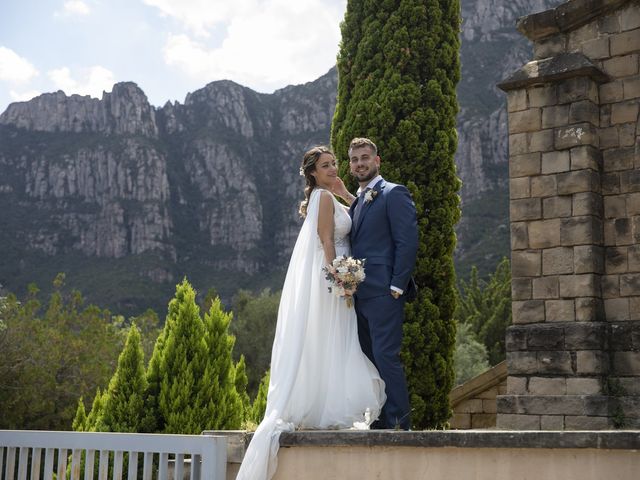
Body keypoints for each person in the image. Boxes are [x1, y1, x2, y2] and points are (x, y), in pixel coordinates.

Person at [235, 146, 385, 480]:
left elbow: (353, 208)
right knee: (335, 338)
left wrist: (345, 189)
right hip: (333, 280)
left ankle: (327, 398)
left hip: (334, 277)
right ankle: (329, 404)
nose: (333, 169)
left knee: (334, 340)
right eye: (326, 166)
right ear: (312, 172)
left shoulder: (328, 196)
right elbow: (327, 239)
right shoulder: (322, 199)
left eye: (334, 164)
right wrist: (340, 278)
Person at [333, 137, 418, 430]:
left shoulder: (394, 193)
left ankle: (400, 422)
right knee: (369, 358)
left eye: (365, 158)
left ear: (377, 161)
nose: (360, 163)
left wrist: (397, 285)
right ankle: (382, 417)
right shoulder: (357, 203)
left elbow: (407, 241)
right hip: (359, 294)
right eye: (355, 160)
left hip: (384, 292)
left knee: (386, 355)